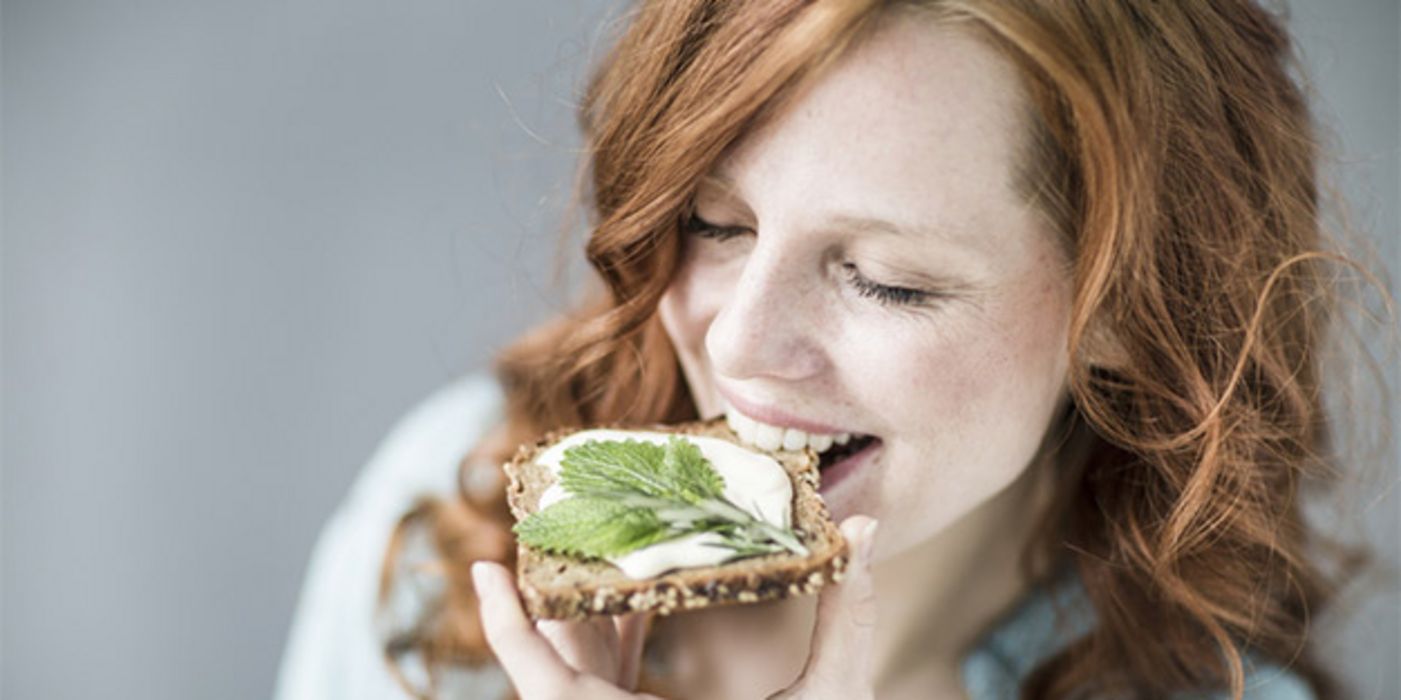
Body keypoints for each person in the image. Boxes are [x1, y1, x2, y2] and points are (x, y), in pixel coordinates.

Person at [276, 1, 1381, 698]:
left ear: (1127, 312)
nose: (739, 342)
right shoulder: (452, 514)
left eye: (888, 279)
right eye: (713, 225)